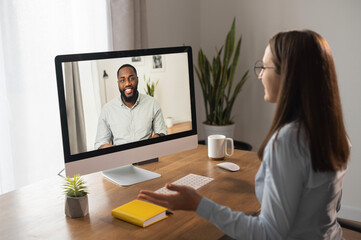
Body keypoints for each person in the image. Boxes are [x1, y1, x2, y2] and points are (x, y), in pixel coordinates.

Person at [138, 30, 350, 239]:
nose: (259, 75)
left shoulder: (289, 141)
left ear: (288, 76)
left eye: (264, 67)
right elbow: (329, 206)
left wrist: (199, 204)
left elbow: (268, 233)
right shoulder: (333, 132)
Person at [95, 64, 167, 149]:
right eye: (122, 80)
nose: (127, 83)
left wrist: (153, 141)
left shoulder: (153, 103)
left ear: (137, 80)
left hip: (147, 154)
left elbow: (162, 132)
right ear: (118, 83)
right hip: (120, 158)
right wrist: (117, 153)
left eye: (131, 78)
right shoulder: (107, 109)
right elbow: (100, 144)